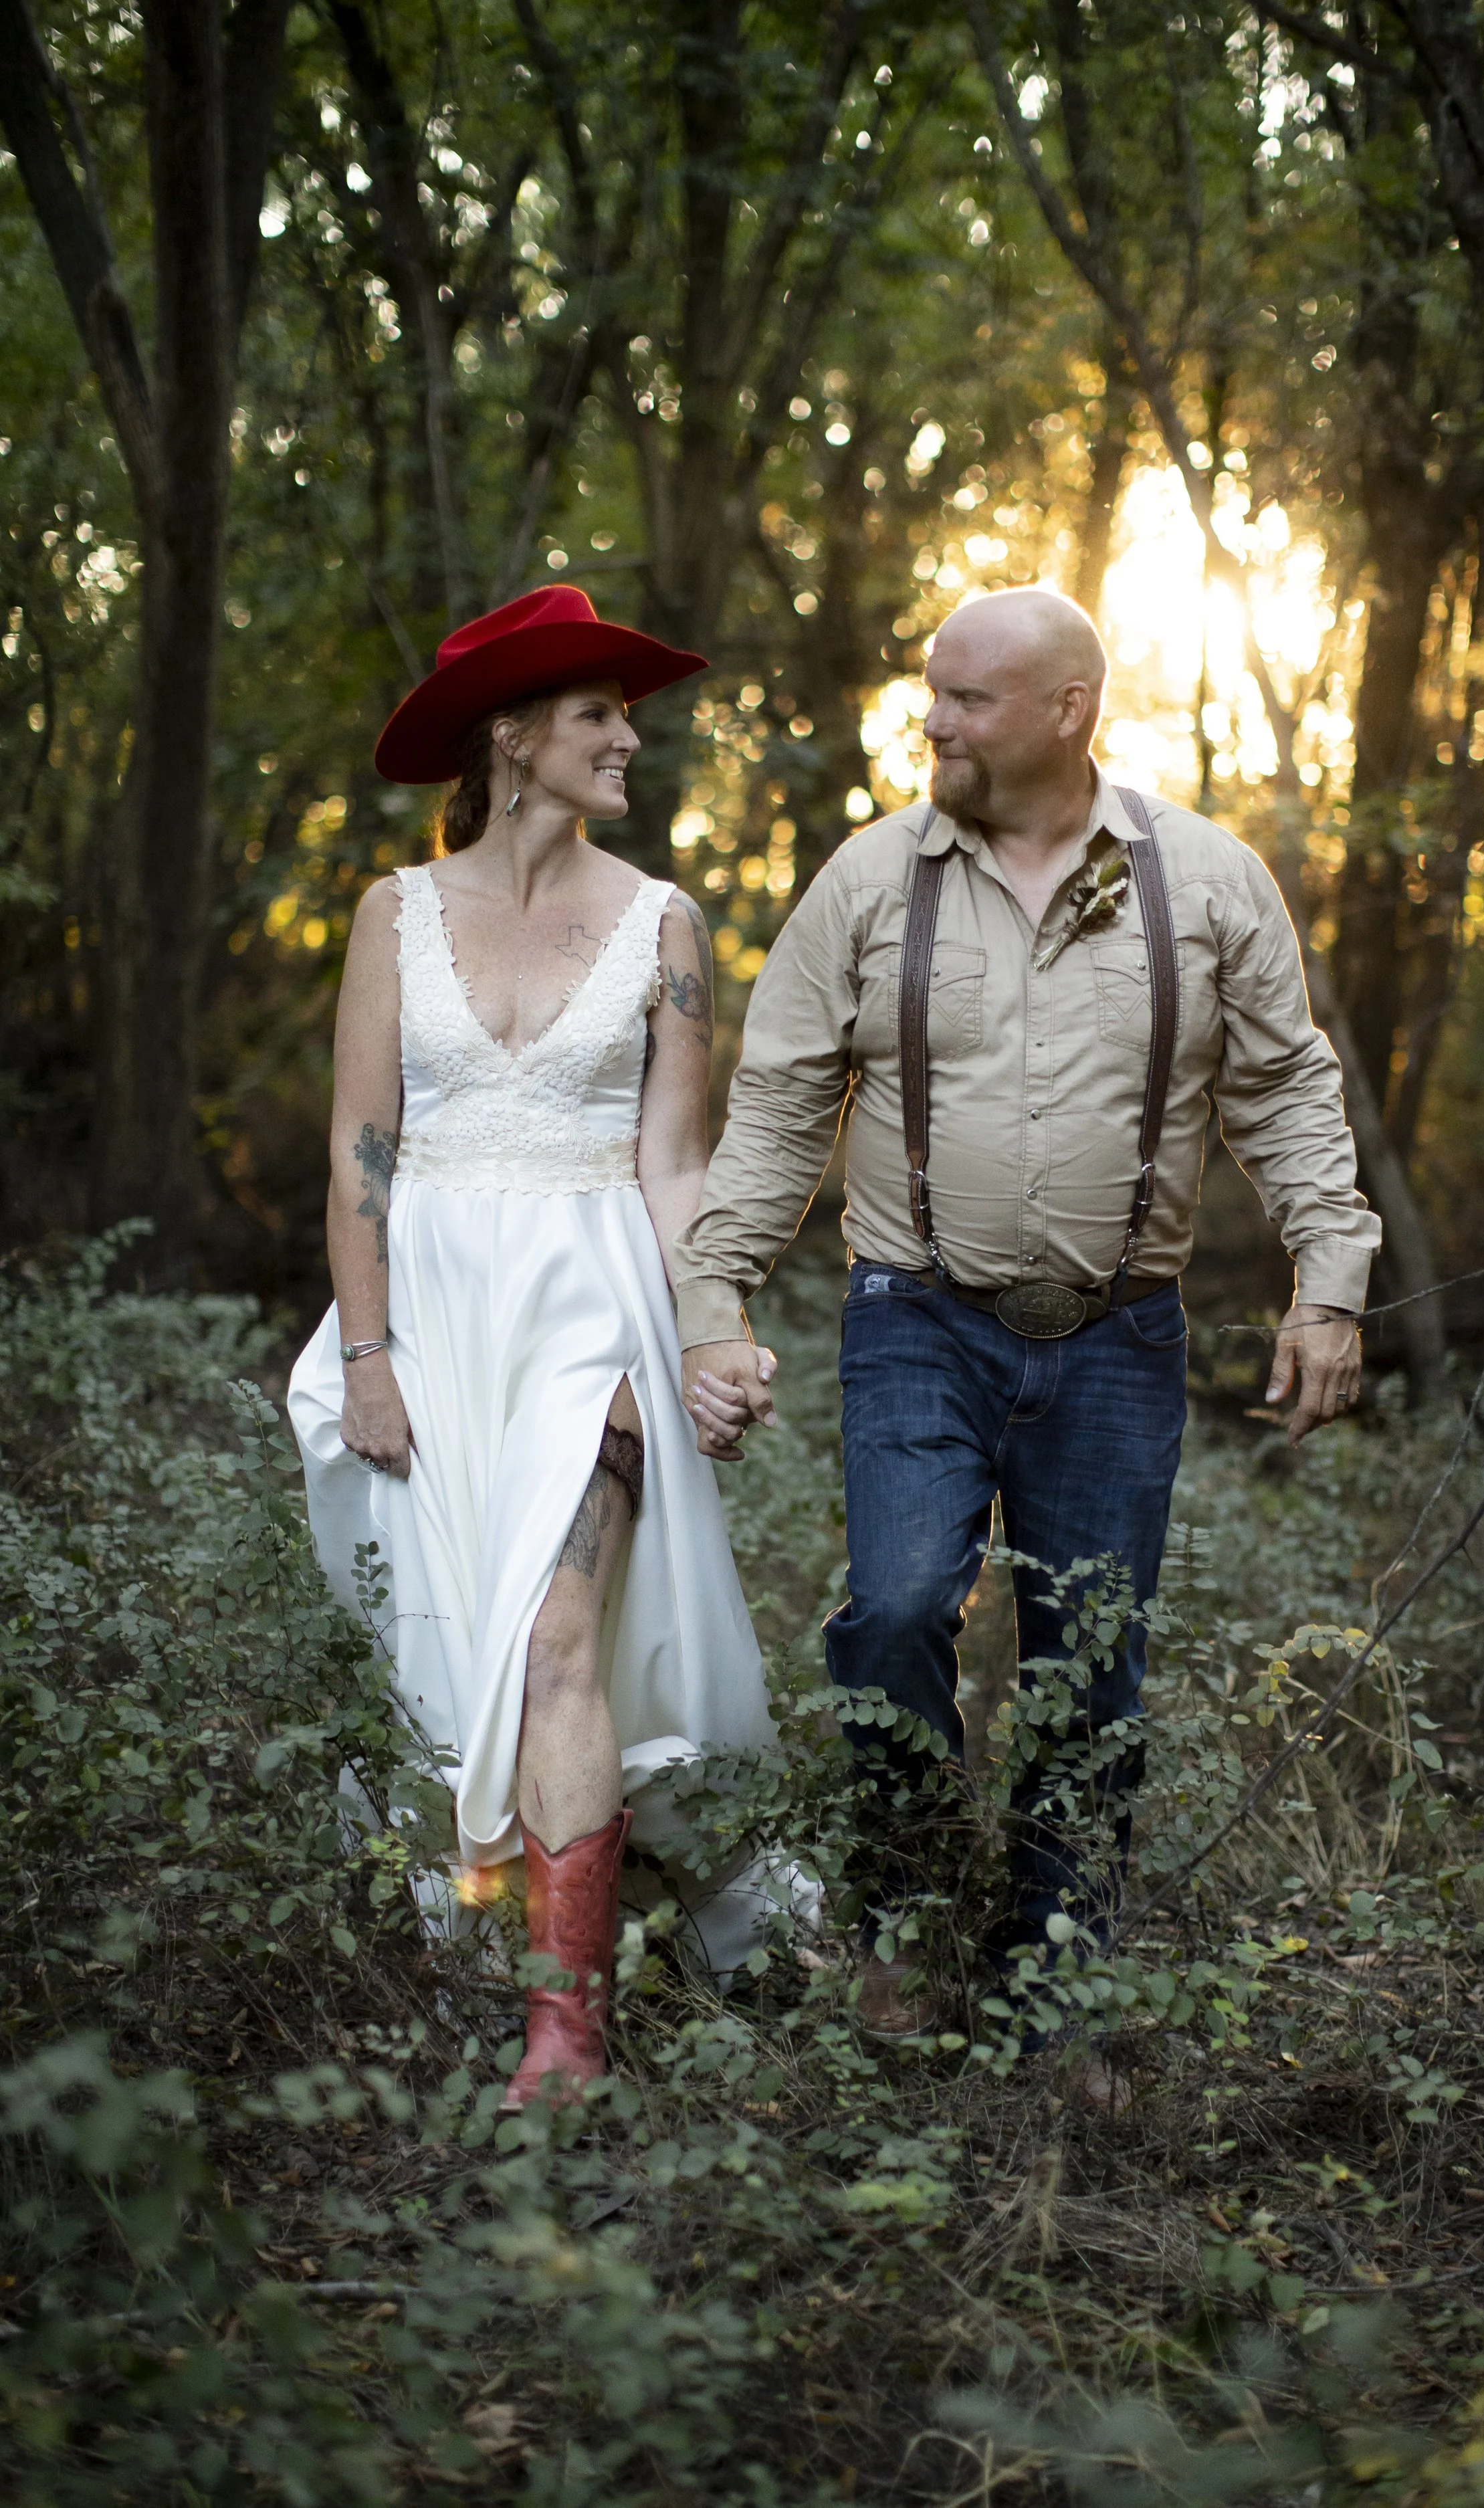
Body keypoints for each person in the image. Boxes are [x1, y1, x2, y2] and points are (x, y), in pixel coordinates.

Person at [677, 585, 1380, 2036]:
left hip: (1120, 1338)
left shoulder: (1206, 880)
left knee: (1088, 1661)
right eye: (929, 691)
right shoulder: (871, 881)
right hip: (914, 1314)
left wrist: (1329, 1284)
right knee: (893, 1613)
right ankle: (902, 1918)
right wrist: (711, 1292)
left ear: (1067, 711)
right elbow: (779, 1104)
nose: (931, 720)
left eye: (967, 699)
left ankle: (1052, 1979)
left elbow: (1284, 1095)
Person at [288, 585, 777, 2111]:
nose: (628, 739)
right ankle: (493, 1939)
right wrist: (367, 1356)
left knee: (562, 1637)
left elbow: (676, 1168)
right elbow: (361, 1150)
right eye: (596, 715)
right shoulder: (393, 914)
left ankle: (566, 2036)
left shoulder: (665, 927)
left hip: (589, 1305)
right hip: (429, 1311)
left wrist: (716, 1317)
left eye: (625, 717)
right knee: (454, 1652)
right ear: (511, 737)